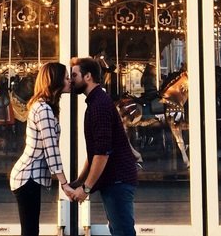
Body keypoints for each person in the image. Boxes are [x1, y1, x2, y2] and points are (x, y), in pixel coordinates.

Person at [67, 57, 138, 236]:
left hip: (117, 179)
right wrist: (79, 181)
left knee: (122, 231)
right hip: (115, 180)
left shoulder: (99, 105)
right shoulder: (97, 102)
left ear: (88, 76)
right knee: (118, 229)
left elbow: (102, 153)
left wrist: (86, 188)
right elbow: (95, 153)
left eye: (74, 75)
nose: (71, 80)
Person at [9, 62, 71, 236]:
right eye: (66, 78)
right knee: (30, 231)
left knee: (30, 230)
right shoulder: (43, 109)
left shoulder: (43, 106)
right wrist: (64, 183)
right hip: (27, 177)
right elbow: (51, 149)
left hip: (29, 176)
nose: (69, 81)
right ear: (56, 81)